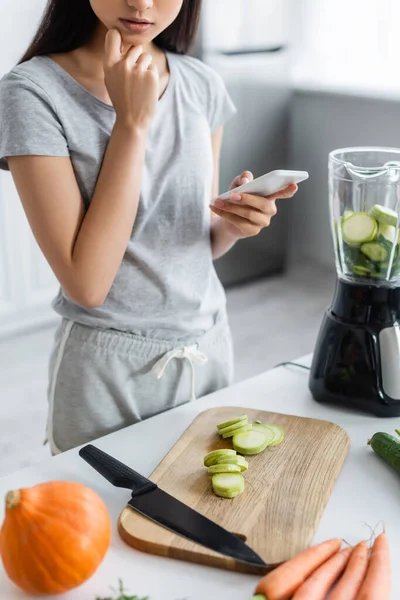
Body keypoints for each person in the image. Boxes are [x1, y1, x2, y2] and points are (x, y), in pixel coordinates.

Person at [0, 0, 298, 455]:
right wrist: (132, 123)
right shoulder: (32, 93)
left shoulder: (200, 83)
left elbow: (201, 242)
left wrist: (235, 225)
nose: (141, 3)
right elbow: (87, 284)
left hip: (208, 345)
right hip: (107, 371)